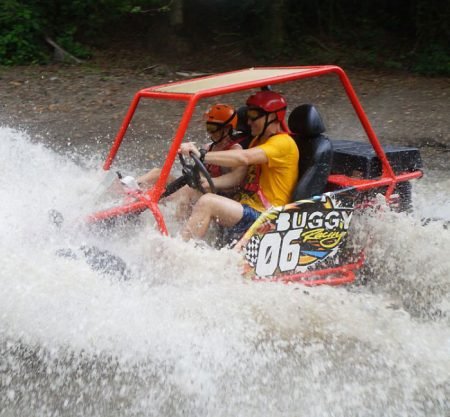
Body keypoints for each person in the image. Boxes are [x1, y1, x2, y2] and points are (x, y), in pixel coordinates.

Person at [178, 90, 299, 242]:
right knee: (190, 191)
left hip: (267, 216)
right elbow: (238, 177)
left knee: (208, 202)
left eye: (254, 117)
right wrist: (208, 183)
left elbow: (243, 158)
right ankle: (177, 236)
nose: (249, 122)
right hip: (244, 205)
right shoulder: (258, 141)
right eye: (248, 117)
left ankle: (178, 253)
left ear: (273, 116)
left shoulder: (283, 143)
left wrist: (201, 155)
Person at [136, 104, 247, 217]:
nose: (210, 133)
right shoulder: (208, 147)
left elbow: (236, 179)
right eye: (208, 128)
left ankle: (175, 228)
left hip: (221, 199)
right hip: (202, 190)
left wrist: (210, 183)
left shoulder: (235, 150)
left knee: (187, 192)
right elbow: (199, 172)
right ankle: (129, 195)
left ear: (227, 128)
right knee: (158, 173)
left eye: (213, 128)